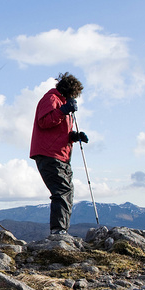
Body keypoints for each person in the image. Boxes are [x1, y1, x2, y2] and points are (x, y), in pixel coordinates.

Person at [30, 72, 88, 237]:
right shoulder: (51, 100)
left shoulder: (61, 102)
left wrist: (74, 136)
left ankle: (61, 230)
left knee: (66, 190)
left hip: (59, 153)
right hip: (50, 153)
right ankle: (58, 231)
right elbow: (44, 122)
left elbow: (57, 130)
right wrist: (63, 110)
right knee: (62, 190)